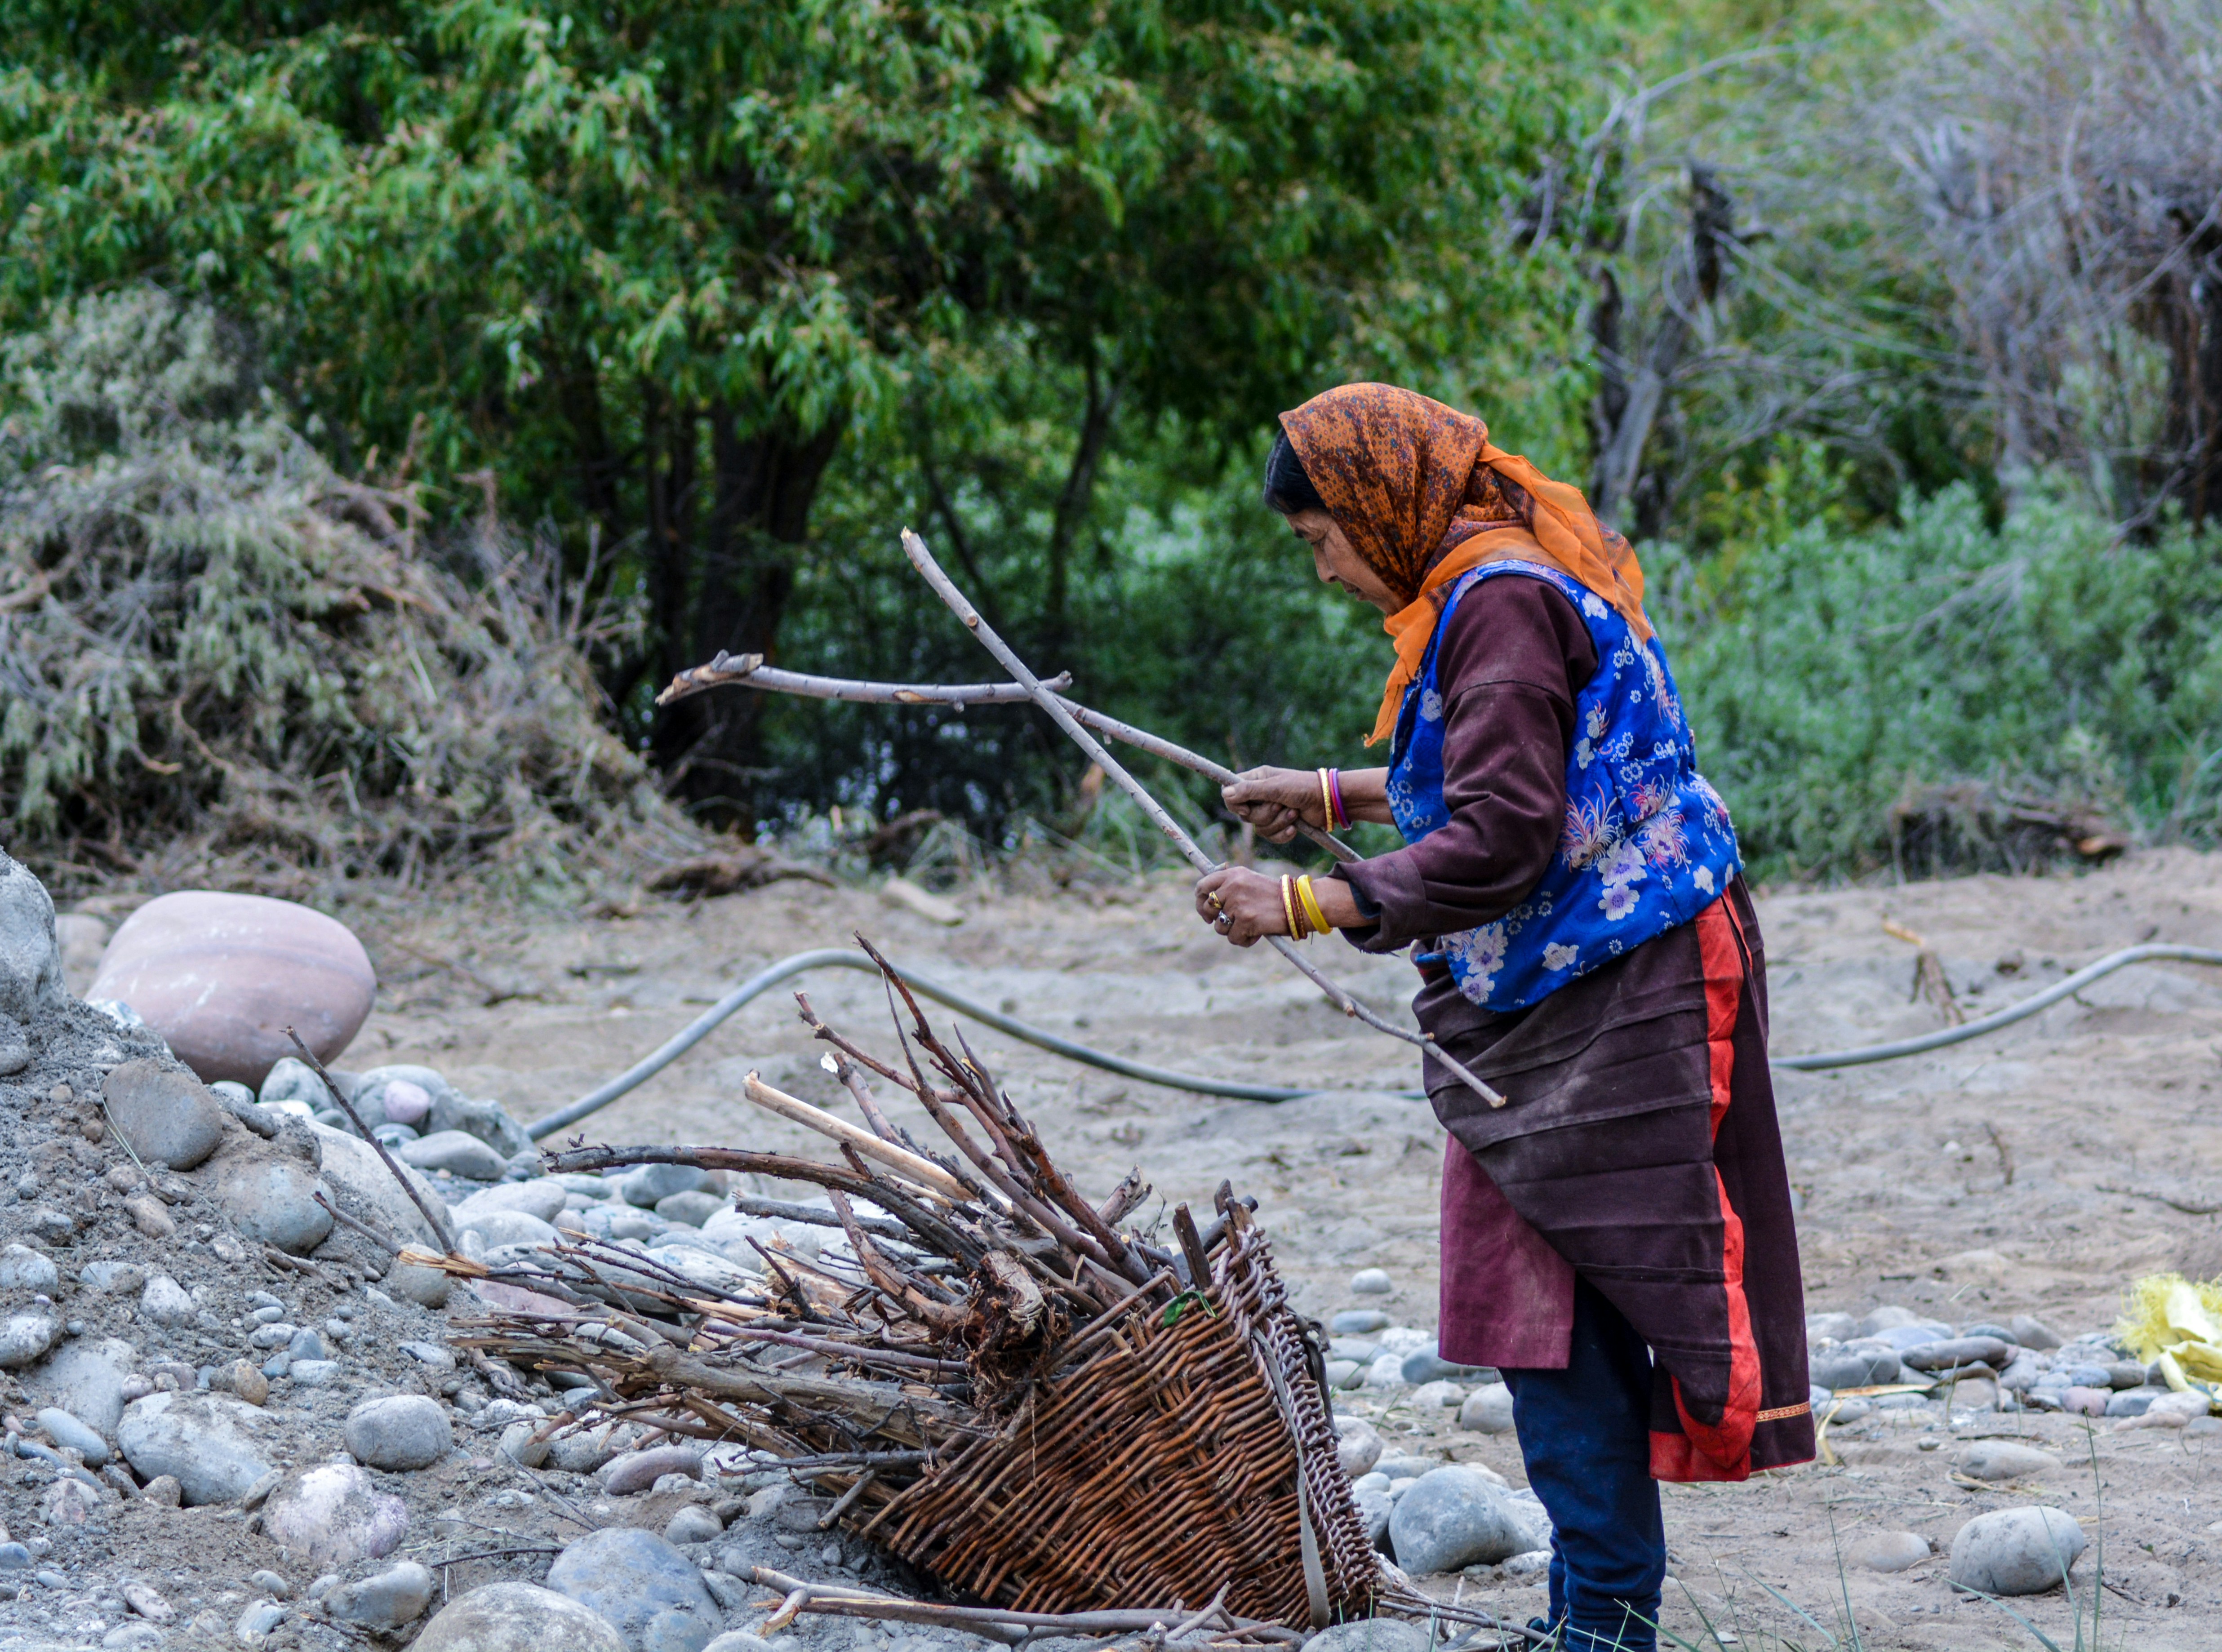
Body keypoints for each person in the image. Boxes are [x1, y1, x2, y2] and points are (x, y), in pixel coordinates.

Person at [1193, 384, 1812, 1652]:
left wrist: (1303, 901)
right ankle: (1593, 1615)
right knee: (1547, 1301)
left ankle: (1607, 1626)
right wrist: (1330, 793)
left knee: (1570, 1304)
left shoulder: (1499, 605)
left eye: (1321, 540)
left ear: (1379, 503)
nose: (1326, 571)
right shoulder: (1488, 584)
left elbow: (1506, 834)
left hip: (1630, 978)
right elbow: (1512, 769)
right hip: (1579, 973)